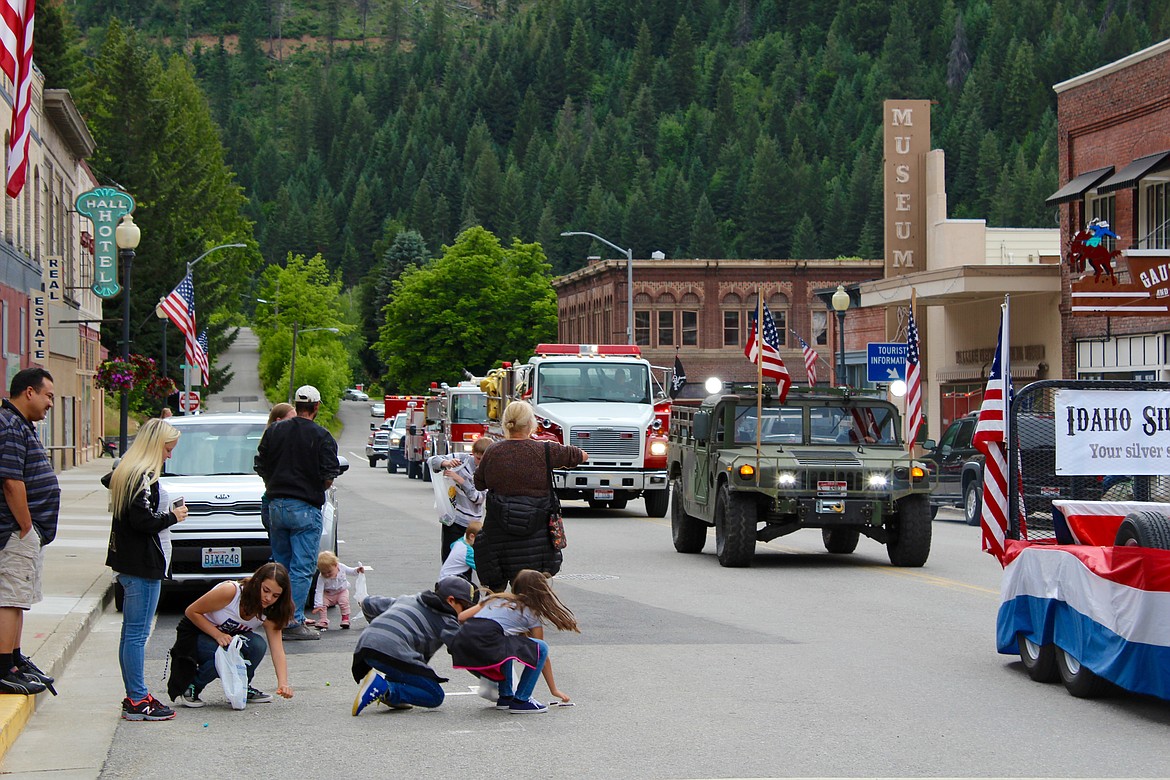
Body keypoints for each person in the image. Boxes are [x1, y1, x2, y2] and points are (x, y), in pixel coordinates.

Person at [103, 418, 189, 721]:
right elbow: (143, 521)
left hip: (129, 562)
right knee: (137, 635)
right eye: (168, 449)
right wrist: (173, 516)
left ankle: (135, 695)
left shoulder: (127, 472)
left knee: (131, 634)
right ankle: (138, 699)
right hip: (142, 564)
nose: (169, 455)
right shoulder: (142, 476)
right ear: (155, 446)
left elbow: (110, 482)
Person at [254, 385, 340, 641]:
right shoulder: (322, 436)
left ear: (297, 404)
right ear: (316, 407)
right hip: (304, 505)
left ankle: (274, 615)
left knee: (280, 565)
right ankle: (291, 620)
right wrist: (313, 487)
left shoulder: (274, 432)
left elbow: (261, 464)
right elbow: (328, 475)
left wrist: (274, 485)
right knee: (302, 568)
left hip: (276, 504)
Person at [472, 401, 588, 591]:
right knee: (529, 596)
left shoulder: (493, 451)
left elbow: (479, 483)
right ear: (530, 424)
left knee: (495, 596)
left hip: (498, 536)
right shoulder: (545, 450)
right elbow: (581, 455)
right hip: (536, 538)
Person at [0, 368, 60, 696]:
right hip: (14, 531)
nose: (51, 403)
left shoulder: (21, 425)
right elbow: (11, 481)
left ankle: (13, 659)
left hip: (24, 533)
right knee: (9, 598)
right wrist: (25, 525)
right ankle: (3, 668)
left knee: (19, 599)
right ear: (29, 392)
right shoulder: (8, 425)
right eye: (49, 396)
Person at [447, 569, 578, 714]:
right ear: (541, 592)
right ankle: (522, 700)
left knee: (507, 645)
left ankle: (506, 696)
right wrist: (554, 689)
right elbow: (539, 654)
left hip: (462, 645)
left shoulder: (495, 599)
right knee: (540, 647)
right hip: (486, 645)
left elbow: (461, 617)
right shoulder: (531, 613)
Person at [167, 562, 295, 708]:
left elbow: (277, 649)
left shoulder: (271, 610)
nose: (268, 598)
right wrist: (217, 634)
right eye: (265, 590)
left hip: (228, 639)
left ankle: (242, 687)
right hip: (197, 633)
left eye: (275, 595)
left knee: (257, 645)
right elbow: (191, 611)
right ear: (256, 583)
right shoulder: (231, 592)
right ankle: (193, 686)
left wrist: (283, 683)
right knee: (226, 654)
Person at [351, 576, 479, 715]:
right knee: (435, 695)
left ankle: (391, 694)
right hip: (391, 652)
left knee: (407, 668)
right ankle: (385, 689)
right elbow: (466, 653)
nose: (466, 614)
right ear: (451, 600)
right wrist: (491, 681)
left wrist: (380, 628)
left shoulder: (410, 598)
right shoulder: (447, 621)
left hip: (366, 645)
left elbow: (369, 603)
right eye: (465, 607)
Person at [427, 436, 491, 561]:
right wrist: (446, 463)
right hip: (453, 518)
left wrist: (460, 480)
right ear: (473, 454)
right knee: (449, 557)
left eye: (485, 459)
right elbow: (431, 461)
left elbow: (478, 498)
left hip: (473, 523)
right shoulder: (463, 459)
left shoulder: (488, 471)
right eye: (478, 458)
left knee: (468, 560)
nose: (480, 462)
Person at [259, 403, 296, 531]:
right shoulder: (273, 445)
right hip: (274, 501)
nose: (295, 424)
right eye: (291, 419)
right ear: (278, 422)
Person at [307, 551, 364, 629]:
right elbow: (319, 591)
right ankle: (323, 620)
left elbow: (351, 571)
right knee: (323, 605)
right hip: (327, 594)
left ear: (335, 565)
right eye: (323, 573)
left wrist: (357, 570)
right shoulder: (321, 577)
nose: (326, 575)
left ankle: (345, 618)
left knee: (344, 603)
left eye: (329, 572)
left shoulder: (342, 567)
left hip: (341, 591)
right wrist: (318, 605)